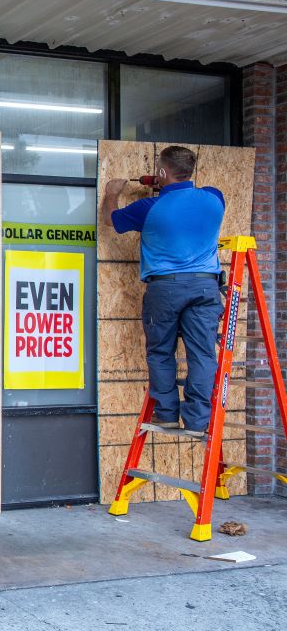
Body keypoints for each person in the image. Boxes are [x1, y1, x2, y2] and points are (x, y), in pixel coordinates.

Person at [100, 145, 225, 437]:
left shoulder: (148, 208)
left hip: (166, 289)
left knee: (161, 352)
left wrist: (112, 193)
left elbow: (111, 219)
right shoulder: (214, 198)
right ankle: (196, 421)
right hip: (206, 287)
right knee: (203, 355)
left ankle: (167, 414)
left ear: (161, 172)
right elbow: (187, 194)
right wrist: (166, 182)